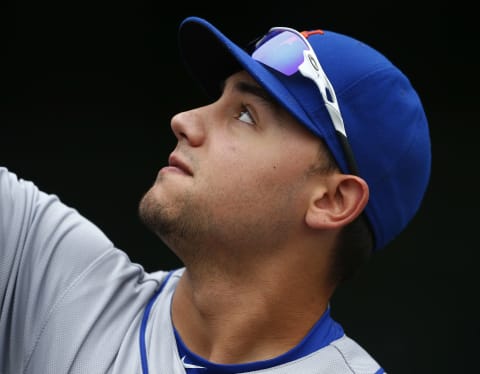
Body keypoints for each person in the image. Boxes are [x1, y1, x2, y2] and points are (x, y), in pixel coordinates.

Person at [0, 15, 431, 374]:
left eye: (245, 115)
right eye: (218, 99)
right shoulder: (47, 273)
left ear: (331, 201)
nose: (184, 120)